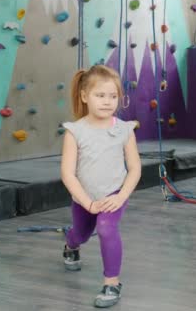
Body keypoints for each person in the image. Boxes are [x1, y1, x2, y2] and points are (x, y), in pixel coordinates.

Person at [60, 65, 141, 308]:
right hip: (84, 198)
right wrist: (87, 203)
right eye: (100, 95)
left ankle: (111, 283)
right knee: (81, 234)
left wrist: (121, 196)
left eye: (113, 96)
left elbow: (135, 168)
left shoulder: (124, 130)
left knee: (106, 227)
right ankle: (70, 245)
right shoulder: (74, 131)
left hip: (114, 194)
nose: (107, 102)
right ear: (85, 96)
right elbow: (67, 173)